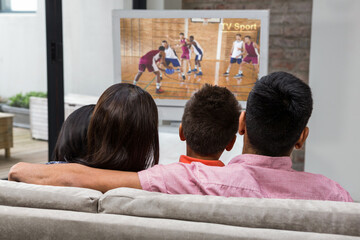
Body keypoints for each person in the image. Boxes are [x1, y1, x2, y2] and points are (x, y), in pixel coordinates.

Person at [9, 73, 353, 202]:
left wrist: (20, 170)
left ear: (243, 124)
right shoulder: (334, 198)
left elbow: (75, 176)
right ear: (301, 137)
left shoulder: (193, 181)